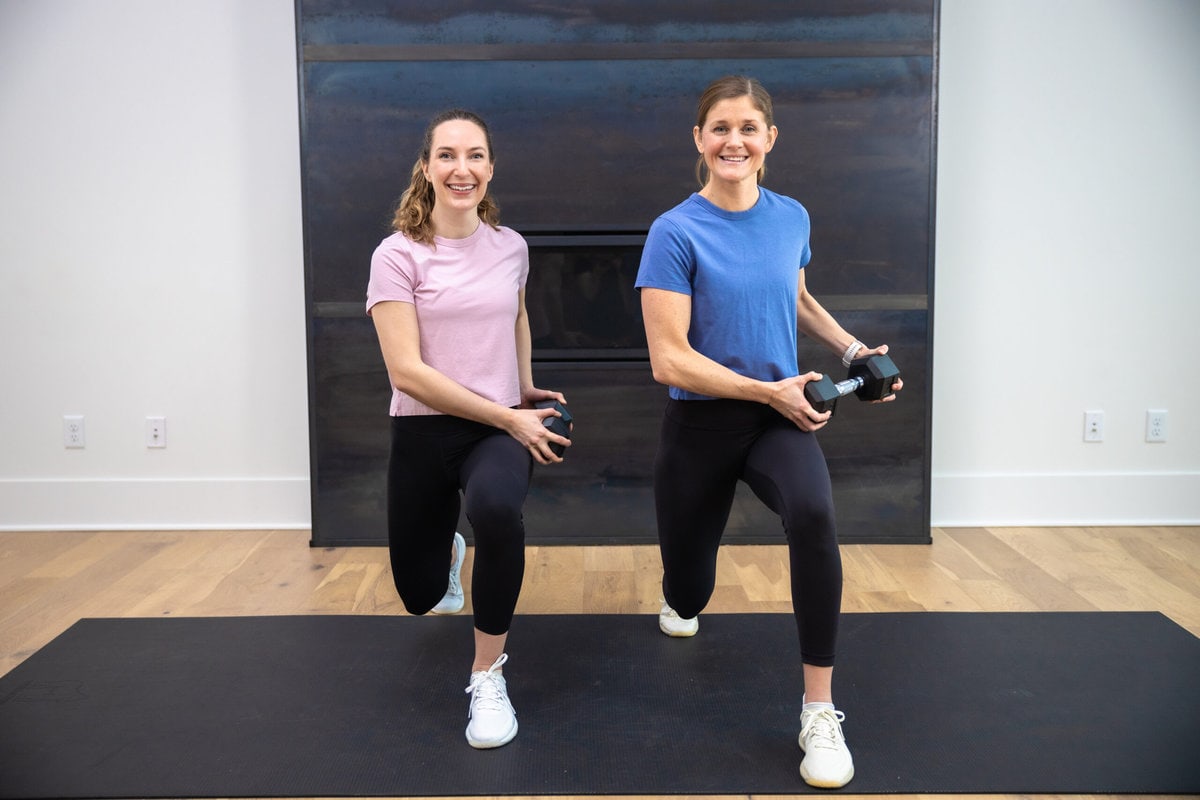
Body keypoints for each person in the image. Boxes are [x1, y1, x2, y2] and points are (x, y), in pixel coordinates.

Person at [634, 75, 902, 789]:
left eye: (748, 128)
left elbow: (799, 296)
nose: (734, 141)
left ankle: (819, 709)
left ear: (770, 140)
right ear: (699, 139)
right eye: (720, 128)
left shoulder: (791, 218)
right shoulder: (675, 231)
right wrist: (766, 389)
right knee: (689, 592)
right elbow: (669, 355)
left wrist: (853, 352)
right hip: (699, 423)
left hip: (777, 423)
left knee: (814, 516)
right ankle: (679, 595)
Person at [366, 108, 571, 750]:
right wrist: (506, 411)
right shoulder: (397, 256)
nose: (463, 168)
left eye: (475, 155)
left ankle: (488, 674)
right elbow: (407, 374)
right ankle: (447, 557)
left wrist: (522, 385)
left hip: (495, 433)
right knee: (420, 595)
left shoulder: (510, 245)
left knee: (498, 510)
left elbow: (515, 318)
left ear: (490, 167)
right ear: (426, 168)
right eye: (448, 155)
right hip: (426, 431)